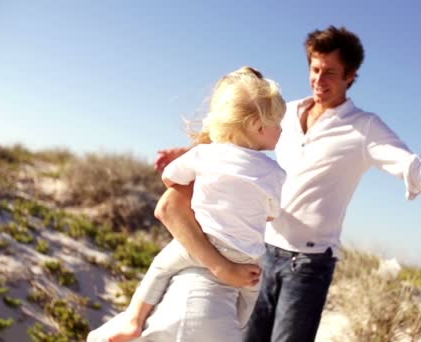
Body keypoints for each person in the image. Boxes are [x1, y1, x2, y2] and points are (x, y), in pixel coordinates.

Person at [154, 26, 421, 342]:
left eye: (330, 72)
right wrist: (187, 152)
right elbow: (236, 138)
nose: (319, 80)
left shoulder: (364, 128)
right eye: (314, 69)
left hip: (308, 266)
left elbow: (416, 168)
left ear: (350, 77)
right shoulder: (283, 113)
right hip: (259, 252)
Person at [88, 66, 286, 342]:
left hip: (205, 247)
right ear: (257, 126)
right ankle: (239, 324)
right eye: (277, 122)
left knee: (160, 267)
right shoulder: (275, 172)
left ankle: (133, 320)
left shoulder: (205, 155)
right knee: (250, 293)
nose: (282, 129)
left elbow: (170, 180)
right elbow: (271, 214)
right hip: (247, 256)